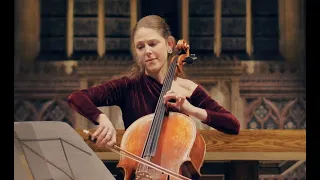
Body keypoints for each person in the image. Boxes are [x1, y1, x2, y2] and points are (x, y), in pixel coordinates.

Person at [68, 15, 240, 150]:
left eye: (153, 43)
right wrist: (102, 119)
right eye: (140, 47)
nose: (147, 51)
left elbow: (232, 124)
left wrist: (190, 109)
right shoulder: (128, 86)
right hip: (137, 171)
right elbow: (77, 97)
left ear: (170, 44)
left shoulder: (187, 89)